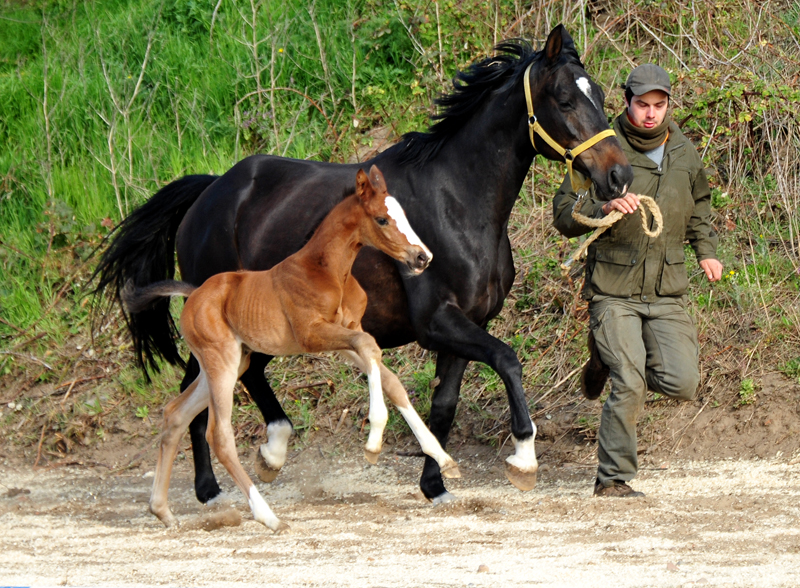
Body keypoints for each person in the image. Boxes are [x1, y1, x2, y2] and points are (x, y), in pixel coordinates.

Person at [552, 64, 723, 497]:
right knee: (629, 381)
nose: (650, 114)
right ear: (626, 102)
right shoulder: (599, 150)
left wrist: (707, 252)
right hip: (614, 290)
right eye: (642, 105)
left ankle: (607, 359)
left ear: (669, 104)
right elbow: (563, 214)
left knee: (683, 382)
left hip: (667, 289)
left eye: (659, 105)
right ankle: (613, 480)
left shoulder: (684, 151)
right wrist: (602, 208)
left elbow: (699, 206)